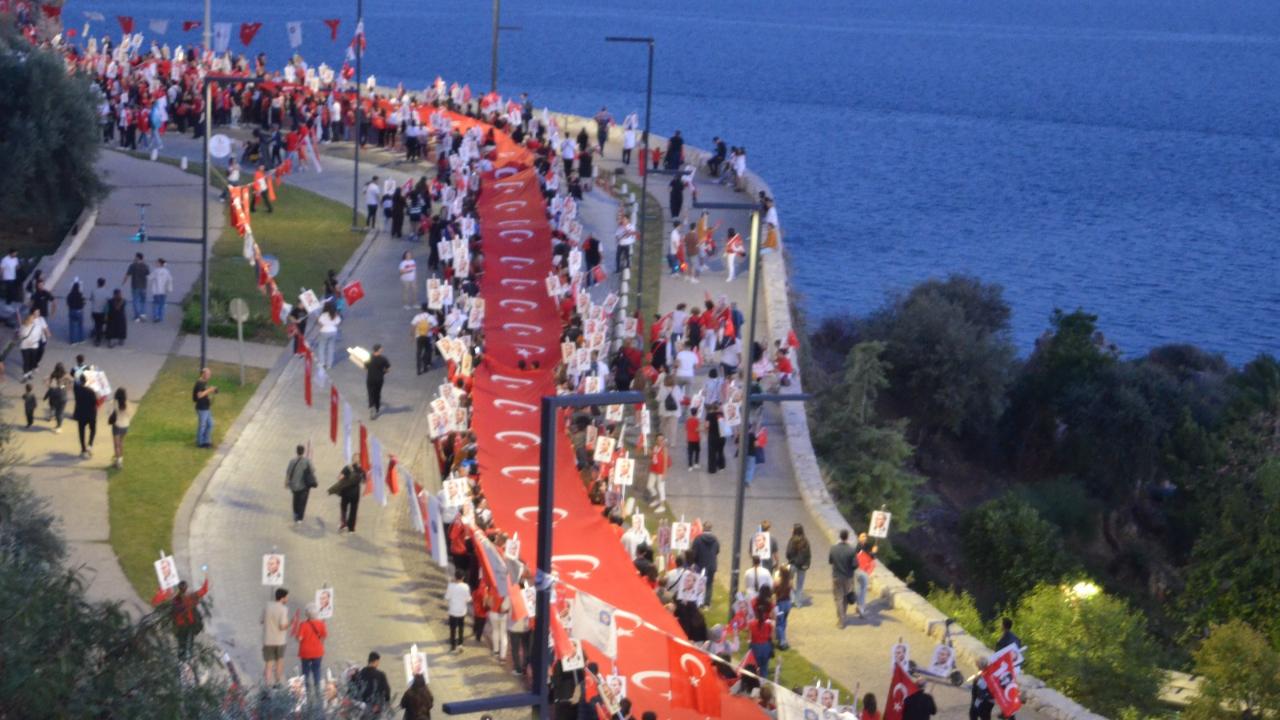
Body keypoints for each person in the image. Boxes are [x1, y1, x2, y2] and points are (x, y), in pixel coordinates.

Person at [169, 575, 210, 661]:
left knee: (182, 645)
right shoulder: (191, 597)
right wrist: (206, 579)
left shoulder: (175, 600)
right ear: (186, 588)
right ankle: (189, 661)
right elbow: (203, 591)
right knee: (189, 643)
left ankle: (181, 662)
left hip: (180, 627)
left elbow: (173, 612)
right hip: (189, 625)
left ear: (179, 589)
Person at [293, 604, 327, 697]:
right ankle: (317, 692)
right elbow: (323, 637)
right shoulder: (321, 624)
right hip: (318, 652)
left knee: (305, 672)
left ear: (307, 614)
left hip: (305, 653)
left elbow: (299, 638)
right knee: (317, 671)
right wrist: (320, 644)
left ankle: (307, 693)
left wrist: (297, 636)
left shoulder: (303, 625)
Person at [261, 588, 291, 686]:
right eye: (286, 597)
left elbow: (261, 621)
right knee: (279, 662)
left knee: (268, 664)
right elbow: (282, 626)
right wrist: (290, 623)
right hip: (279, 641)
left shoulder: (267, 606)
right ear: (282, 598)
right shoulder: (283, 609)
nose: (287, 599)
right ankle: (277, 683)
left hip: (268, 640)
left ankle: (267, 685)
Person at [829, 528, 857, 627]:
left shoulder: (833, 548)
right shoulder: (851, 550)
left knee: (838, 598)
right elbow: (855, 565)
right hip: (848, 577)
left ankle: (841, 619)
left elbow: (830, 561)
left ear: (840, 537)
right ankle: (843, 615)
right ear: (847, 537)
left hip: (836, 576)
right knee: (845, 597)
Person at [689, 521, 719, 607]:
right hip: (711, 564)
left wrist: (693, 561)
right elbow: (717, 550)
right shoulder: (715, 539)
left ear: (703, 528)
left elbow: (693, 552)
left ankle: (699, 601)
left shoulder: (698, 539)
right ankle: (707, 603)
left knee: (699, 582)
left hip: (700, 564)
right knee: (709, 584)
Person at [747, 586, 775, 677]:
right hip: (766, 646)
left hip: (755, 647)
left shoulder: (751, 624)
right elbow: (772, 636)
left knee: (754, 666)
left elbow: (749, 638)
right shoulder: (769, 624)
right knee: (764, 667)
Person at [329, 462, 365, 533]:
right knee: (353, 511)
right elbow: (364, 481)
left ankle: (343, 523)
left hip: (346, 493)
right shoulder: (361, 470)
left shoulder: (347, 468)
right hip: (355, 494)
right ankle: (351, 528)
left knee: (343, 508)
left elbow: (339, 478)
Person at [286, 443, 316, 524]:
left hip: (294, 485)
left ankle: (296, 512)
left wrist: (286, 483)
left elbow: (288, 473)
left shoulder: (292, 461)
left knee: (295, 499)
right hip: (304, 486)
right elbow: (313, 470)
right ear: (303, 451)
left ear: (296, 451)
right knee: (302, 502)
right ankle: (300, 517)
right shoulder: (307, 461)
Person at [17, 309, 49, 380]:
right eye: (31, 319)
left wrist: (46, 334)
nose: (32, 320)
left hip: (33, 346)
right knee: (26, 361)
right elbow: (20, 335)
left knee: (32, 360)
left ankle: (29, 373)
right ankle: (25, 375)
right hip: (25, 346)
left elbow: (41, 333)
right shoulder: (23, 326)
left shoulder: (36, 326)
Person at [72, 372, 98, 458]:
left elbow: (75, 384)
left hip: (81, 414)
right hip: (91, 414)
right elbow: (95, 402)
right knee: (93, 430)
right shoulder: (91, 392)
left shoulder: (77, 390)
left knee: (81, 432)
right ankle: (90, 445)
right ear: (86, 381)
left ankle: (83, 449)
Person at [785, 523, 812, 605]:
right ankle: (798, 602)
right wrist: (807, 564)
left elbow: (788, 553)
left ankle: (792, 599)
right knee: (800, 585)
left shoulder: (792, 540)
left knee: (789, 582)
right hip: (802, 566)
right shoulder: (805, 541)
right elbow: (808, 554)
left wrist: (790, 559)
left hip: (793, 564)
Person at [445, 570, 470, 652]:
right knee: (461, 628)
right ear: (463, 577)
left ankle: (452, 646)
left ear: (455, 577)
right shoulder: (466, 586)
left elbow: (447, 597)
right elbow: (468, 599)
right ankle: (460, 644)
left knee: (452, 629)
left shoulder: (450, 586)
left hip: (453, 611)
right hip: (461, 611)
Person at [107, 387, 132, 468]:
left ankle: (118, 463)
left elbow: (109, 413)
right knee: (121, 444)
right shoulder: (127, 403)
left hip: (117, 426)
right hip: (125, 426)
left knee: (116, 445)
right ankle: (120, 460)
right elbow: (129, 414)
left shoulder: (113, 403)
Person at [854, 532, 878, 617]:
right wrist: (873, 552)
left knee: (859, 589)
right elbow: (868, 556)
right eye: (863, 536)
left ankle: (858, 606)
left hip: (861, 570)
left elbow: (871, 557)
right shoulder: (860, 546)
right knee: (863, 589)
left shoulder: (865, 546)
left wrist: (873, 552)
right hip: (861, 570)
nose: (865, 538)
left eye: (865, 536)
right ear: (859, 538)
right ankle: (861, 608)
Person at [192, 367, 217, 448]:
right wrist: (209, 390)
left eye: (210, 374)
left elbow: (204, 393)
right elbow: (199, 395)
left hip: (206, 407)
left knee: (210, 424)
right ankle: (200, 442)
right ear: (203, 374)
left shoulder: (204, 382)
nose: (209, 376)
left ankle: (206, 441)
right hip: (202, 408)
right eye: (207, 374)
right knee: (202, 425)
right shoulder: (199, 383)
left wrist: (209, 394)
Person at [365, 344, 390, 419]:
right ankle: (377, 408)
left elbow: (365, 367)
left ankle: (371, 406)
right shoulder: (383, 359)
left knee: (370, 393)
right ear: (379, 350)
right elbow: (388, 369)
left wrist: (371, 370)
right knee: (377, 393)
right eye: (381, 348)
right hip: (379, 379)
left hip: (370, 378)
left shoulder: (369, 358)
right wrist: (383, 373)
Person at [122, 252, 149, 321]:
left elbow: (127, 275)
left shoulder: (132, 265)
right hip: (143, 286)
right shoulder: (145, 266)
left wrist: (123, 282)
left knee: (136, 301)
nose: (134, 258)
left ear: (137, 257)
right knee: (143, 301)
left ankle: (137, 316)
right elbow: (148, 274)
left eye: (135, 257)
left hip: (135, 286)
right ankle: (143, 315)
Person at [774, 564, 794, 650]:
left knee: (779, 623)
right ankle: (781, 637)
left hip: (780, 604)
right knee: (784, 621)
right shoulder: (790, 582)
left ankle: (782, 641)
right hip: (788, 604)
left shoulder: (777, 582)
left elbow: (774, 592)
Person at [647, 433, 670, 508]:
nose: (660, 441)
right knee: (649, 486)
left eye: (662, 440)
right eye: (659, 440)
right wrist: (649, 452)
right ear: (656, 440)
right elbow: (652, 457)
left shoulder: (664, 449)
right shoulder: (655, 447)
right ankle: (656, 499)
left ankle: (662, 505)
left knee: (661, 488)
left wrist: (664, 473)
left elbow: (666, 461)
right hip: (653, 470)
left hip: (660, 471)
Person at [44, 363, 69, 432]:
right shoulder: (65, 376)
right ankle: (58, 425)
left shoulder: (53, 377)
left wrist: (45, 397)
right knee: (59, 412)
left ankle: (57, 424)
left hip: (55, 398)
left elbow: (50, 388)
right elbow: (66, 385)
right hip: (63, 398)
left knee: (55, 410)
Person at [316, 301, 342, 369]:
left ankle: (322, 363)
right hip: (333, 331)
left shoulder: (323, 315)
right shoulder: (336, 315)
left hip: (324, 331)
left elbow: (320, 323)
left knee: (322, 347)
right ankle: (329, 365)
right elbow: (338, 323)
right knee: (331, 348)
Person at [411, 303, 435, 375]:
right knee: (428, 350)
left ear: (421, 309)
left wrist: (412, 336)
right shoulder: (431, 317)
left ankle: (418, 370)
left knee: (418, 352)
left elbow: (413, 326)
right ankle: (425, 367)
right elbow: (435, 326)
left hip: (419, 336)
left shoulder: (417, 317)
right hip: (428, 336)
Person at [65, 279, 85, 344]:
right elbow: (83, 303)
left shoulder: (69, 295)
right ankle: (80, 339)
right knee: (80, 326)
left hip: (71, 310)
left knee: (72, 327)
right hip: (79, 311)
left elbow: (67, 303)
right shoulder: (80, 294)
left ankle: (72, 341)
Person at [89, 278, 107, 346]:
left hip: (94, 311)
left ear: (97, 283)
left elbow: (91, 299)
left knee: (97, 324)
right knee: (100, 325)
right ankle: (98, 339)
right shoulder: (106, 292)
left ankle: (97, 334)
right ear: (104, 284)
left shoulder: (94, 291)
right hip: (102, 312)